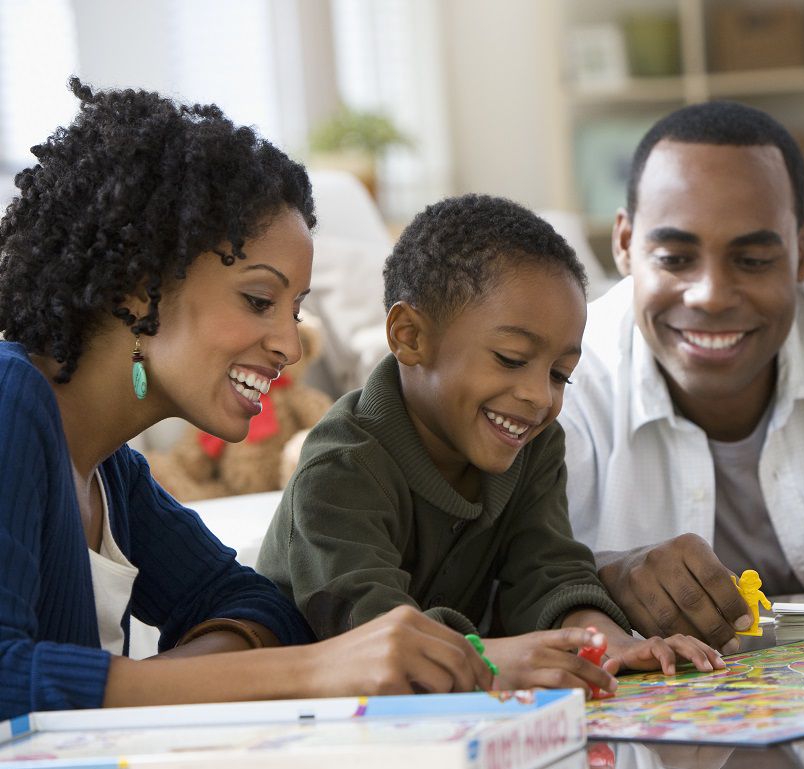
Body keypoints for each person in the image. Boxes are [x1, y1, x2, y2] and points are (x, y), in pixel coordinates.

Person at [0, 79, 496, 721]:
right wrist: (314, 669)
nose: (290, 345)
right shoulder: (12, 401)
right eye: (259, 300)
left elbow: (259, 606)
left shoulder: (110, 471)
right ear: (135, 285)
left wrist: (167, 684)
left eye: (295, 310)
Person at [257, 194, 723, 694]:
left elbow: (548, 571)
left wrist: (605, 643)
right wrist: (495, 659)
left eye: (560, 374)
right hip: (320, 731)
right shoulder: (341, 467)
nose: (538, 396)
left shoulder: (532, 446)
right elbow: (372, 631)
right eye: (510, 358)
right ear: (410, 336)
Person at [559, 101, 804, 653]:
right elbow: (500, 578)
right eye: (674, 257)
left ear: (803, 250)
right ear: (624, 244)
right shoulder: (565, 377)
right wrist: (605, 576)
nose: (710, 295)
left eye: (753, 260)